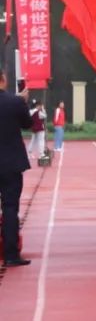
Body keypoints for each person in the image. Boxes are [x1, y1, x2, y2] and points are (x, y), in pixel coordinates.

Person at [0, 72, 32, 267]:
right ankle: (11, 254)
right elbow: (28, 124)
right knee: (10, 207)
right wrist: (23, 102)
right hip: (10, 164)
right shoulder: (15, 102)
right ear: (3, 79)